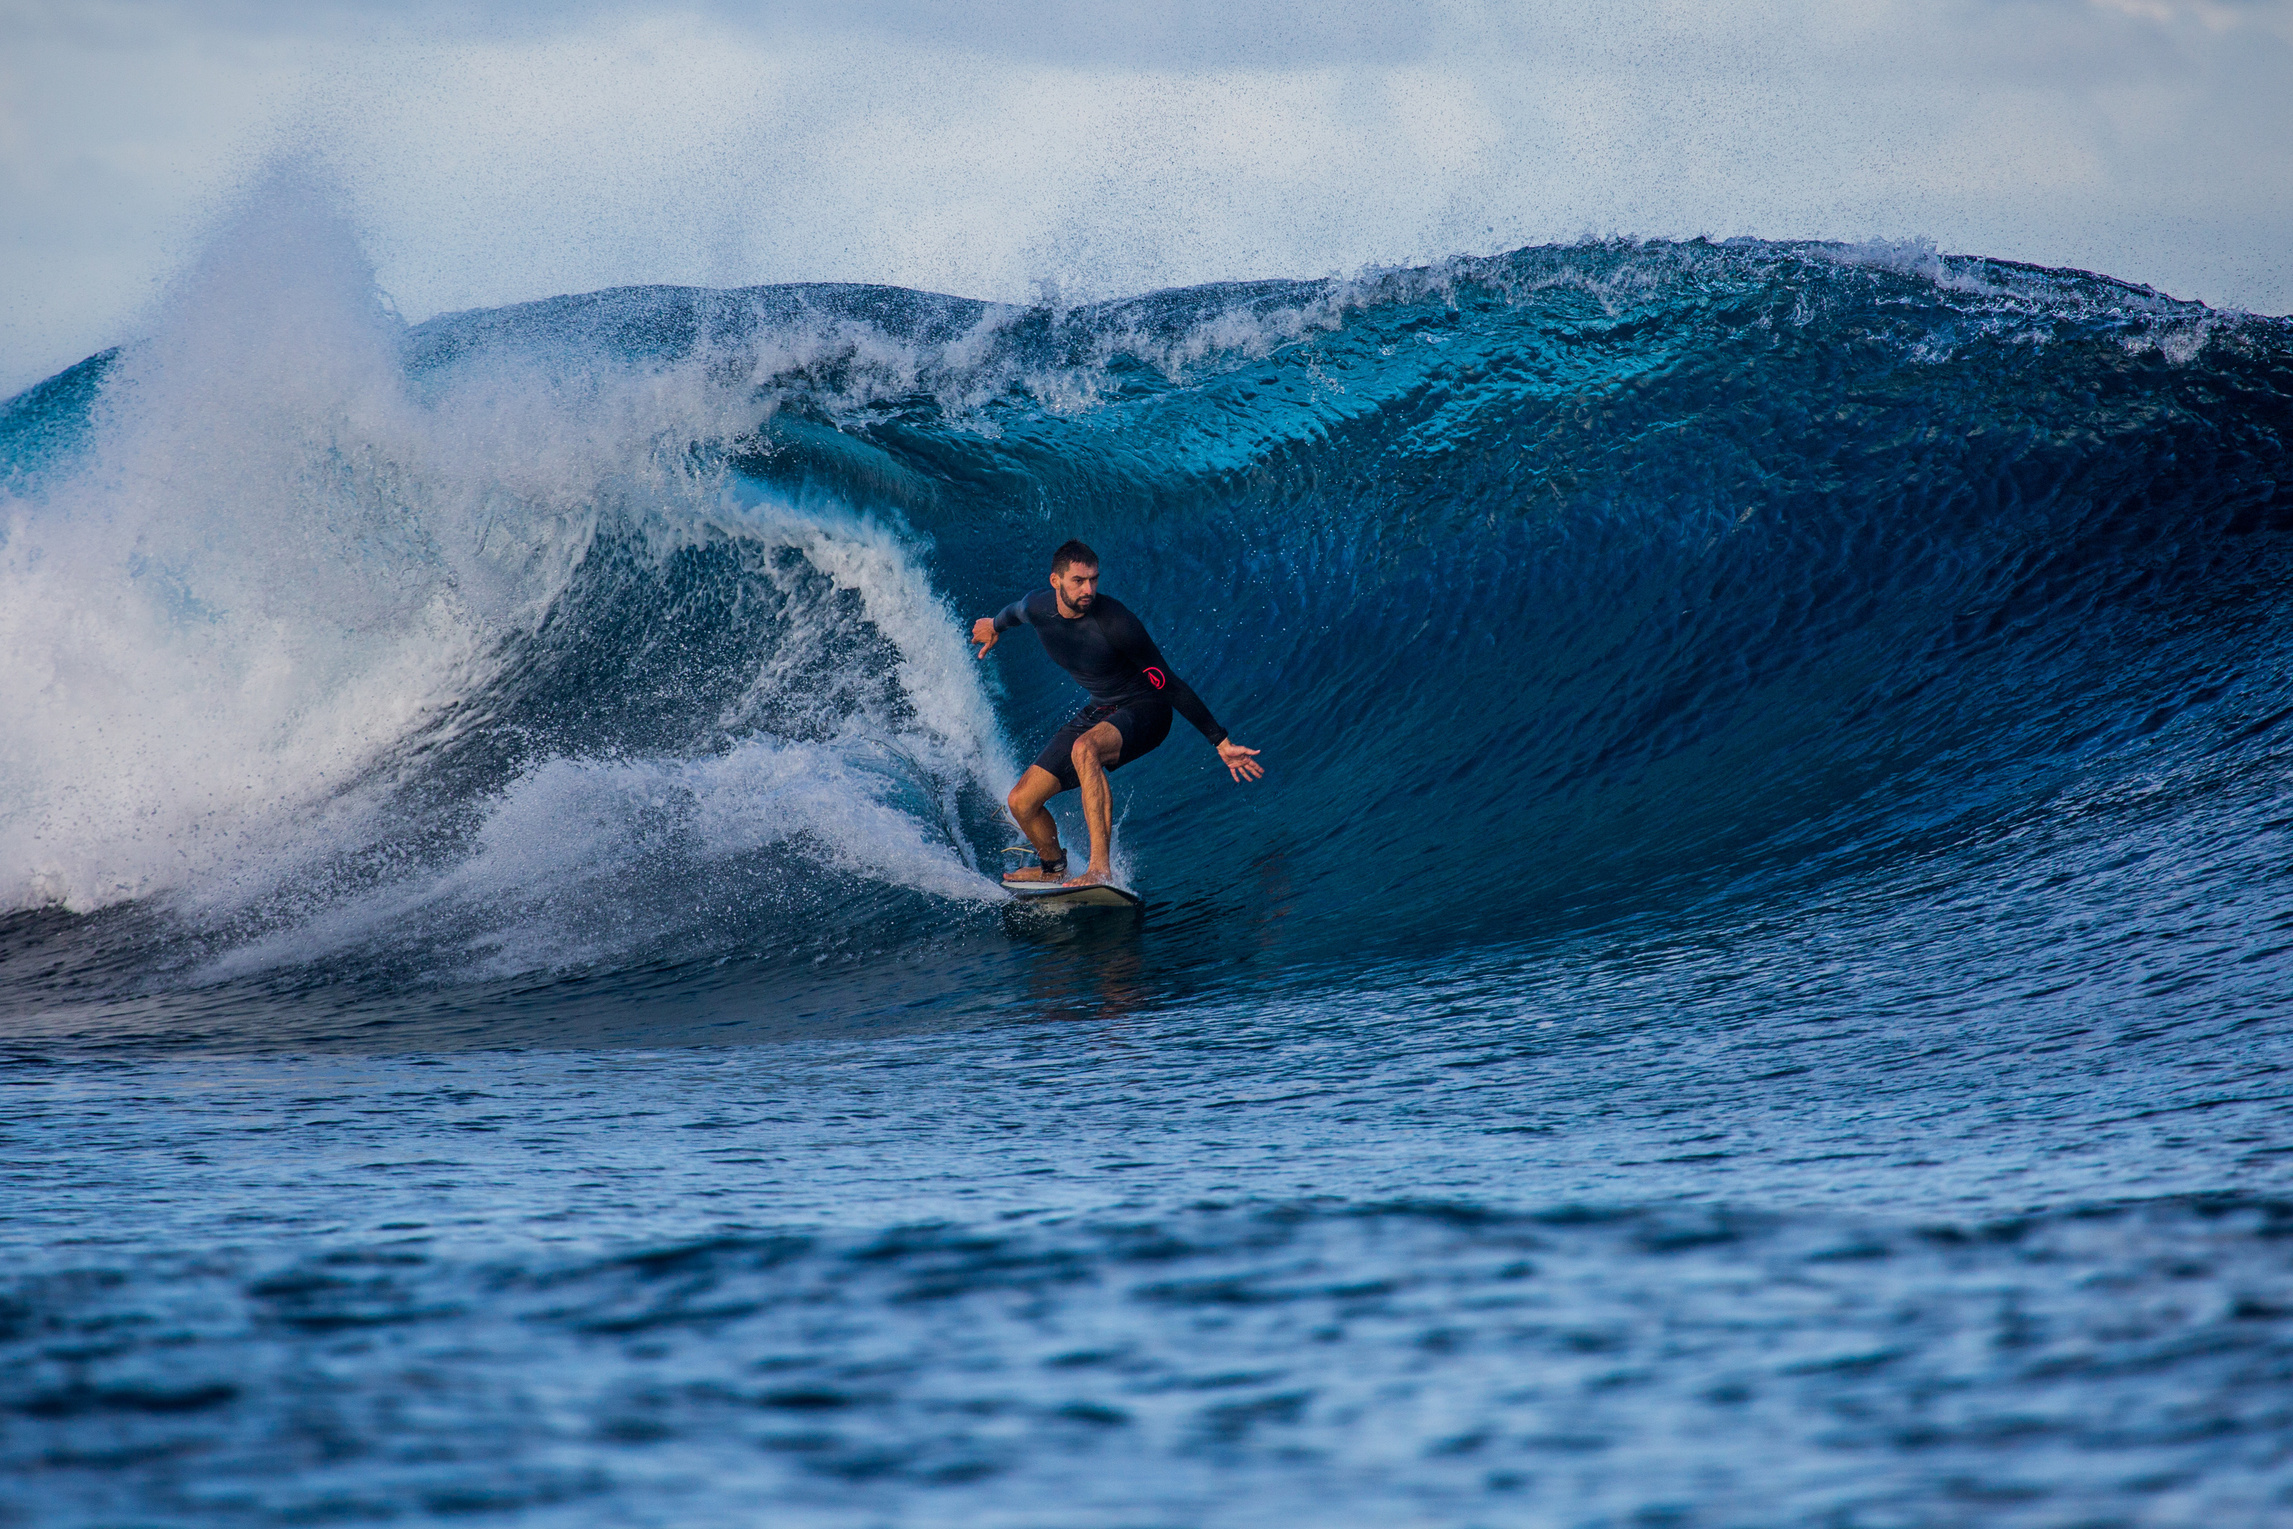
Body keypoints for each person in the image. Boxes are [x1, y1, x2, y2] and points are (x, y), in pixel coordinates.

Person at [971, 540, 1262, 887]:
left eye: (1094, 579)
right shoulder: (1038, 608)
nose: (1088, 589)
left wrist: (1220, 740)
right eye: (1078, 580)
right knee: (1021, 801)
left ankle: (1099, 869)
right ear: (1055, 581)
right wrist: (994, 625)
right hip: (1102, 708)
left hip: (1148, 709)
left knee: (1085, 749)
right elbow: (1015, 611)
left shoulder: (1116, 623)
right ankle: (1053, 869)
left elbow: (1167, 683)